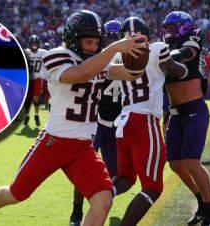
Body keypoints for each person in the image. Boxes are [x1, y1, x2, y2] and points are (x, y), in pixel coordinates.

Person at [0, 10, 148, 226]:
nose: (93, 47)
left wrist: (140, 52)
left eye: (96, 42)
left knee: (103, 199)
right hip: (53, 142)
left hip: (82, 147)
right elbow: (80, 74)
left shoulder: (99, 61)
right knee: (16, 193)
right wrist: (115, 47)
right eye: (88, 42)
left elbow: (131, 74)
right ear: (73, 39)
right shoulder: (55, 55)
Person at [111, 17, 187, 226]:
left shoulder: (118, 56)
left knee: (125, 178)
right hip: (145, 121)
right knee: (153, 188)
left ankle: (100, 196)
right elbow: (178, 71)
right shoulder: (157, 48)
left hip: (123, 122)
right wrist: (183, 61)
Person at [162, 11, 210, 226]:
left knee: (191, 161)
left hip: (194, 109)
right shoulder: (165, 47)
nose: (168, 32)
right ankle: (201, 201)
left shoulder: (192, 39)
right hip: (176, 113)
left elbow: (185, 53)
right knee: (175, 164)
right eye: (166, 28)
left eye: (172, 27)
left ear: (183, 26)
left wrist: (168, 57)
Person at [69, 19, 123, 226]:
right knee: (85, 169)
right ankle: (76, 212)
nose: (109, 40)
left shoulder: (115, 58)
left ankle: (96, 204)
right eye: (107, 36)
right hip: (95, 121)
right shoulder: (101, 59)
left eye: (112, 36)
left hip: (114, 121)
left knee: (114, 172)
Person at [24, 35, 48, 126]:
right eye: (32, 43)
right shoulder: (26, 52)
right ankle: (26, 115)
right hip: (28, 79)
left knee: (36, 97)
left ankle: (36, 115)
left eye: (35, 43)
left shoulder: (43, 52)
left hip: (38, 78)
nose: (34, 45)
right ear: (29, 44)